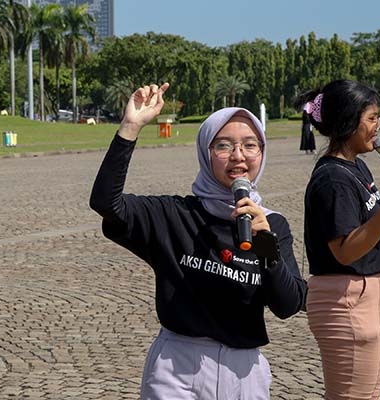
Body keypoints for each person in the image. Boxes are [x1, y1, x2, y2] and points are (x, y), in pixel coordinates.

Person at [90, 83, 306, 399]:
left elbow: (288, 304)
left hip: (243, 372)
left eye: (250, 145)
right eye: (223, 146)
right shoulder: (174, 215)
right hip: (177, 367)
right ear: (205, 152)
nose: (238, 156)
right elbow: (107, 204)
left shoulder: (271, 225)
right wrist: (131, 126)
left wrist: (265, 245)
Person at [297, 79, 380, 400]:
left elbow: (373, 231)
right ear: (347, 121)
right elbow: (346, 250)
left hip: (370, 296)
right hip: (347, 301)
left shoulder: (358, 167)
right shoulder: (332, 179)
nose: (378, 126)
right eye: (372, 118)